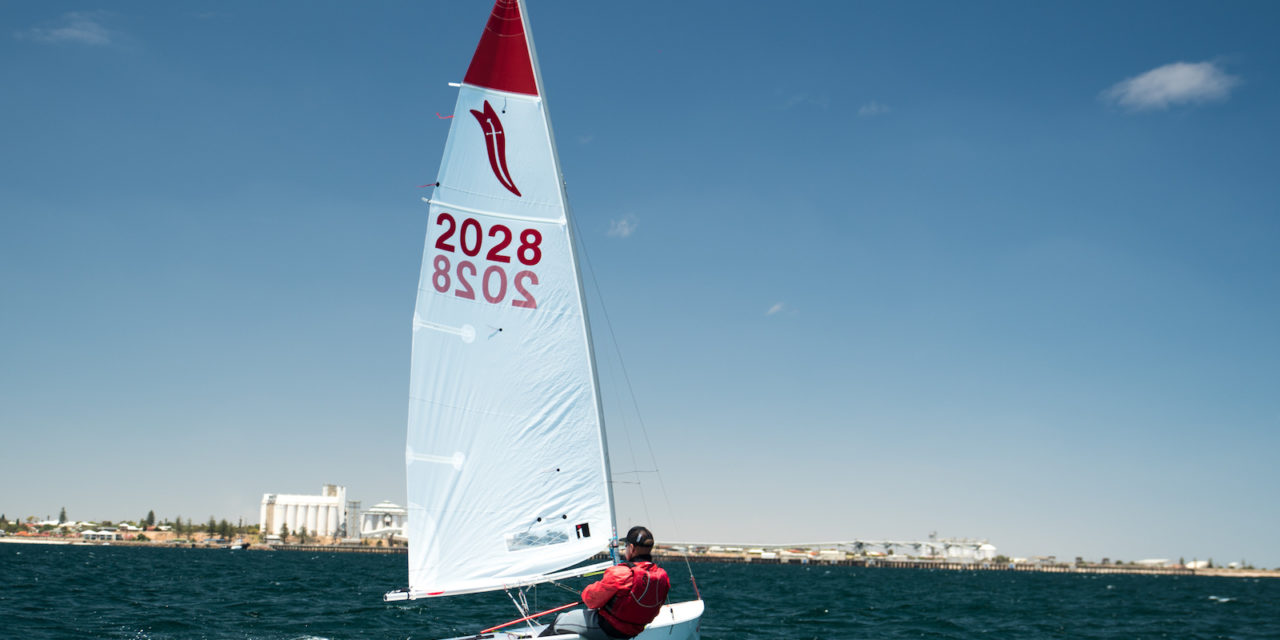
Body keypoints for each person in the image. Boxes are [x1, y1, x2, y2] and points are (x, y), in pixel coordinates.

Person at [542, 526, 670, 639]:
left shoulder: (621, 573)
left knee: (559, 621)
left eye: (625, 546)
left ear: (631, 548)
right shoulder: (662, 575)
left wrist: (587, 592)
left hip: (608, 629)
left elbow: (591, 601)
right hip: (633, 631)